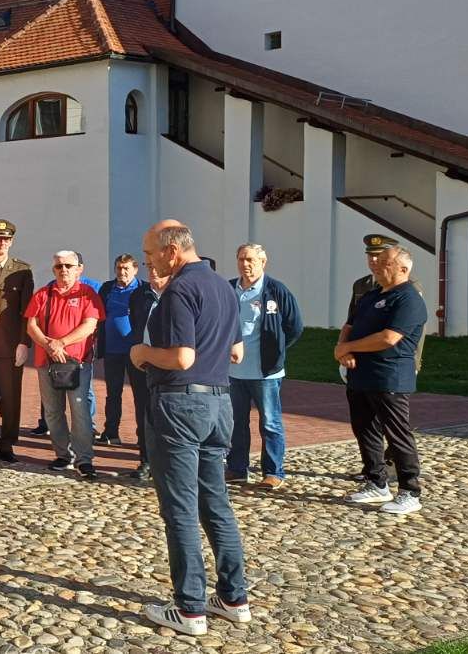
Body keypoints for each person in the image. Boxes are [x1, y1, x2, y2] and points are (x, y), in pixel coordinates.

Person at [130, 221, 251, 636]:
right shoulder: (223, 287)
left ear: (171, 251)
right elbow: (236, 351)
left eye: (150, 254)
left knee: (180, 507)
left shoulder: (180, 289)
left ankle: (189, 607)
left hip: (180, 403)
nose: (148, 261)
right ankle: (234, 598)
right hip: (219, 401)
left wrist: (143, 352)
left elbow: (181, 357)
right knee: (214, 502)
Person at [338, 246, 428, 515]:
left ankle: (410, 490)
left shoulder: (408, 298)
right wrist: (343, 349)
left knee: (397, 434)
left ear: (403, 268)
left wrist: (348, 347)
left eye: (385, 262)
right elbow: (349, 325)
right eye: (375, 260)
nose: (376, 264)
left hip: (389, 377)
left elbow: (388, 338)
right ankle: (376, 482)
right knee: (365, 429)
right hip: (360, 375)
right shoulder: (371, 295)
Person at [227, 243, 303, 489]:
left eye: (250, 259)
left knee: (270, 423)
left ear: (263, 262)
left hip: (265, 372)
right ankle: (237, 468)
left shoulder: (276, 290)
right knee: (236, 423)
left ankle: (273, 472)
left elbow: (294, 326)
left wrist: (276, 348)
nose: (245, 264)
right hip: (233, 372)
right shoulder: (229, 288)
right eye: (241, 259)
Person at [24, 251, 105, 479]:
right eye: (59, 266)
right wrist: (49, 345)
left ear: (79, 268)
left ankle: (84, 459)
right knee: (52, 411)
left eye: (69, 265)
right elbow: (31, 325)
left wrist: (61, 343)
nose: (64, 270)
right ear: (53, 270)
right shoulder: (43, 294)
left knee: (80, 411)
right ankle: (63, 455)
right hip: (46, 362)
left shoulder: (87, 294)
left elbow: (89, 326)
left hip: (77, 363)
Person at [0, 219, 33, 460]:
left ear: (11, 242)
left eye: (6, 239)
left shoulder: (22, 271)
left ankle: (7, 443)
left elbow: (27, 312)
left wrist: (24, 343)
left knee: (11, 397)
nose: (1, 243)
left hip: (11, 345)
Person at [119, 260, 167, 481]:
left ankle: (168, 462)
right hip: (141, 362)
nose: (154, 271)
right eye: (150, 268)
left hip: (167, 362)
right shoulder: (139, 295)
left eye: (158, 267)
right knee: (144, 411)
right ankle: (146, 460)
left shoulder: (175, 294)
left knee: (167, 412)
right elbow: (135, 322)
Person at [96, 255, 142, 446]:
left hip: (136, 351)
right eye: (119, 268)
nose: (122, 272)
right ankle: (111, 432)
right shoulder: (107, 288)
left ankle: (143, 436)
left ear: (135, 270)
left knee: (140, 394)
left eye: (126, 268)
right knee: (113, 393)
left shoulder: (143, 289)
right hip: (112, 350)